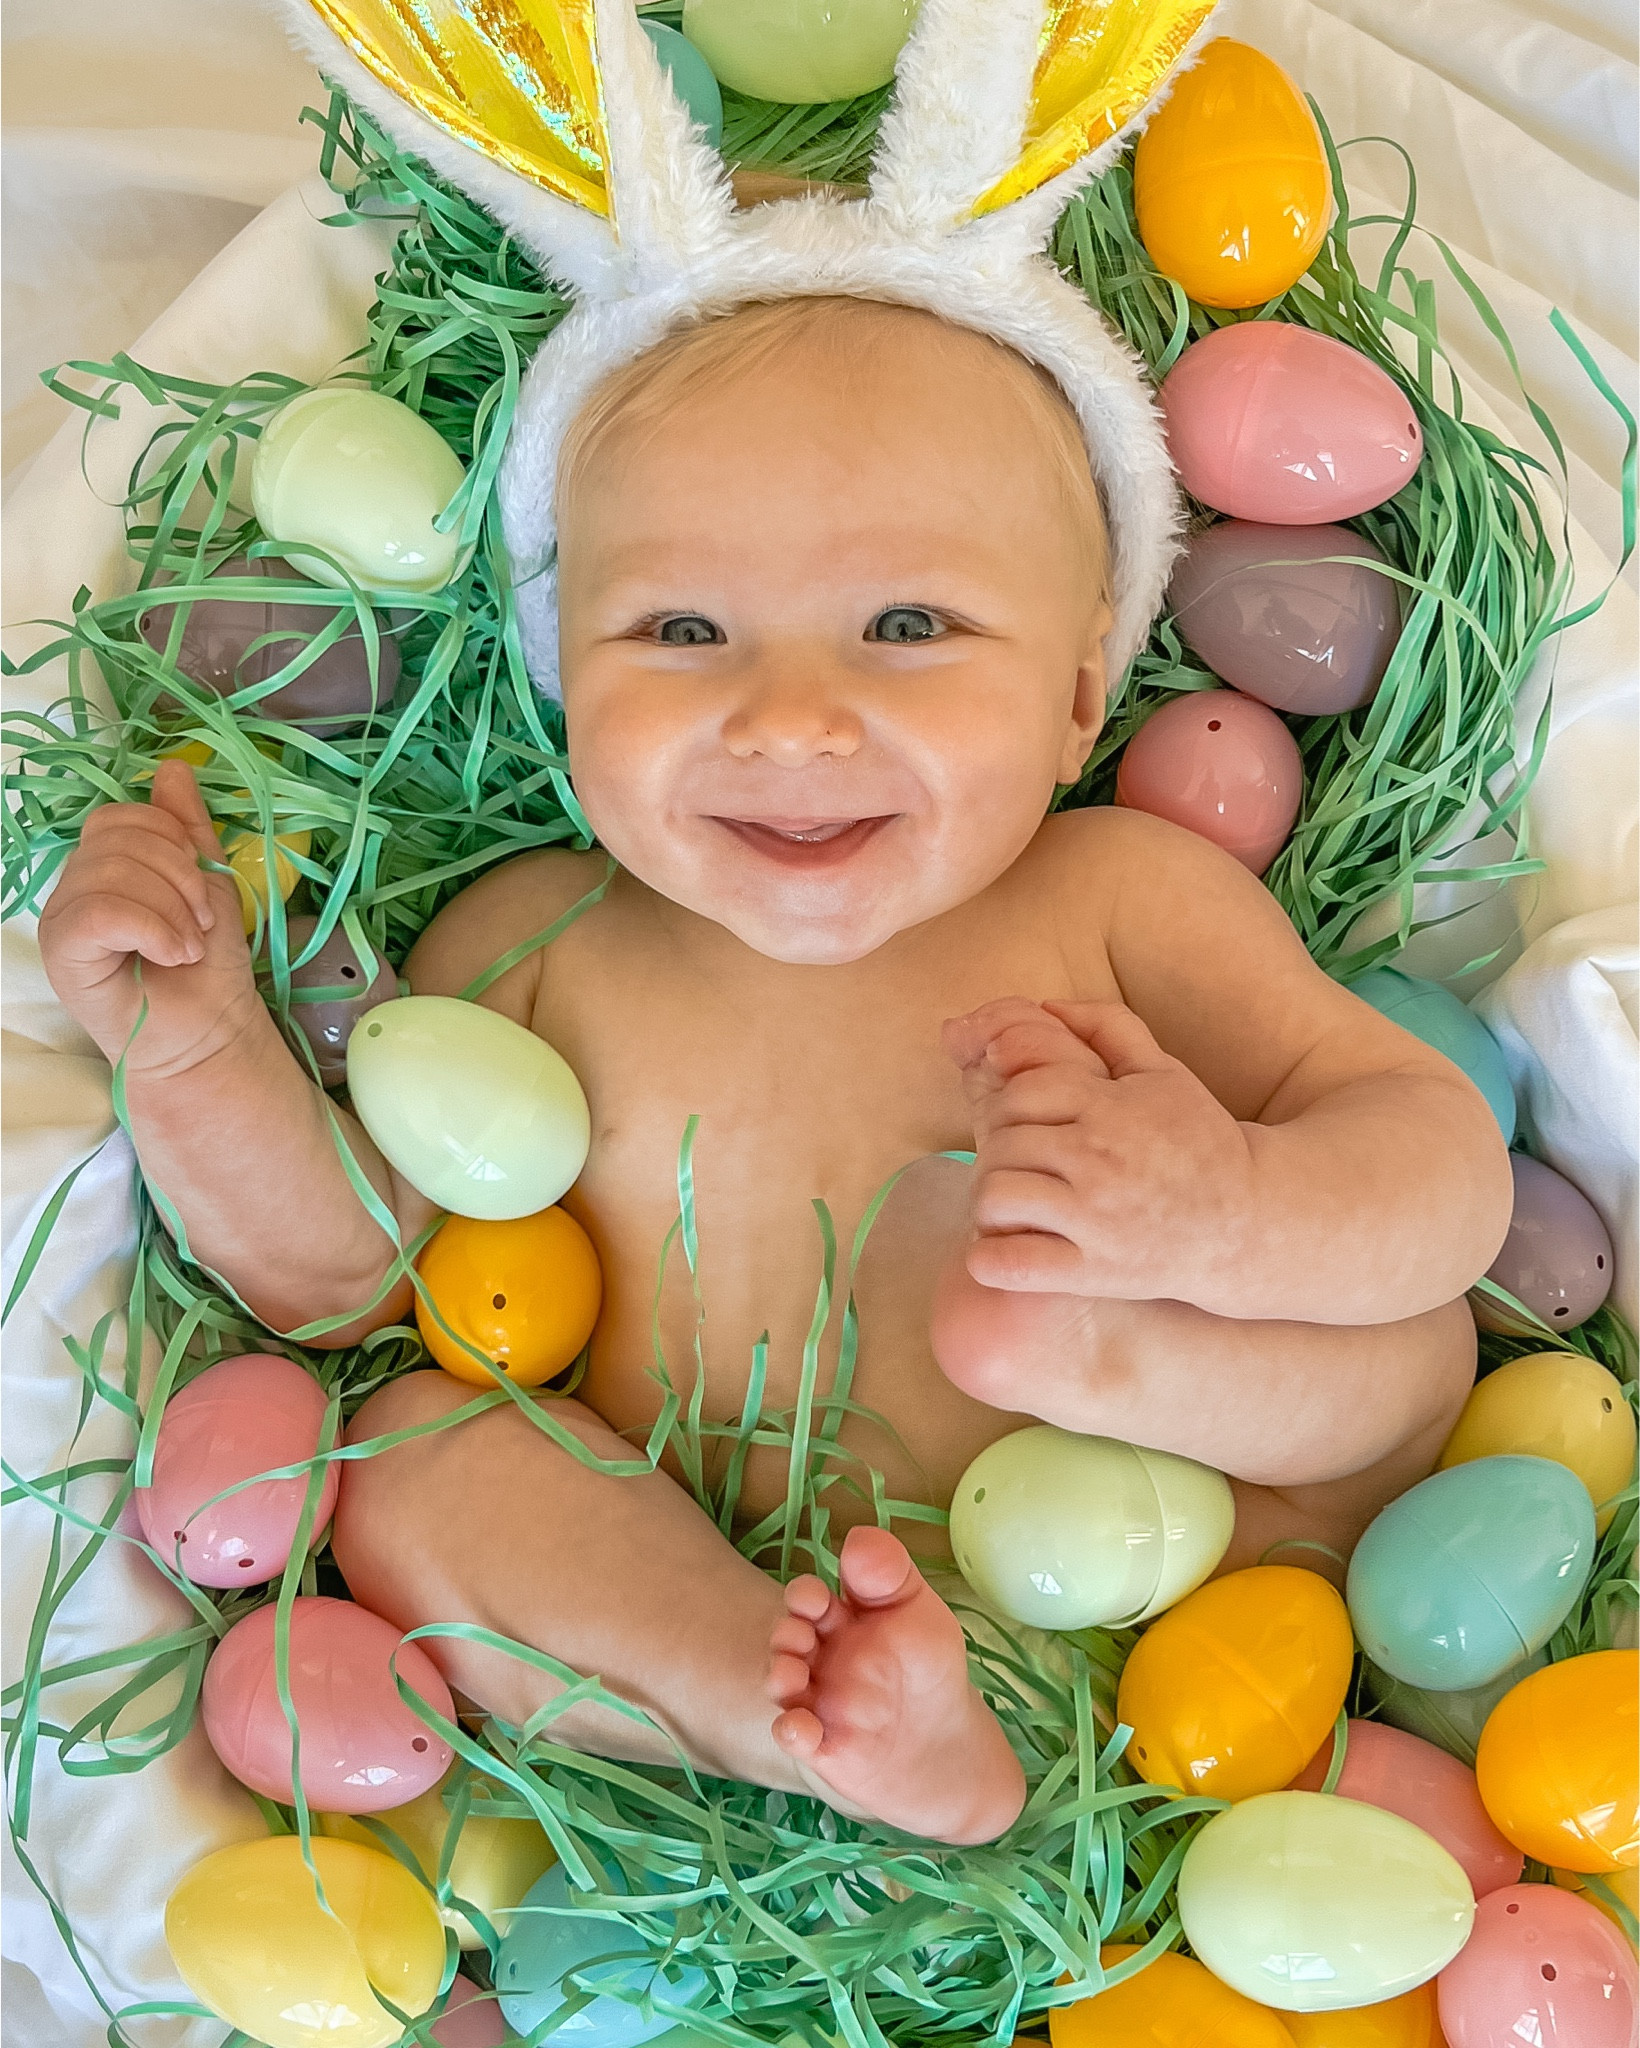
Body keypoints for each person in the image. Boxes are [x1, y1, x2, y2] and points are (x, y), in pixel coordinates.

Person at [38, 293, 1512, 1849]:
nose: (794, 720)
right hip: (729, 1579)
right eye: (682, 631)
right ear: (561, 665)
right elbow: (344, 1279)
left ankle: (1089, 1360)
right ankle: (794, 1713)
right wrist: (192, 1042)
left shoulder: (1122, 895)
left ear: (1082, 694)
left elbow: (1439, 1163)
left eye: (908, 626)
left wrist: (1232, 1216)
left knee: (1405, 1346)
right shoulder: (536, 937)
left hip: (1205, 1623)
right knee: (411, 1464)